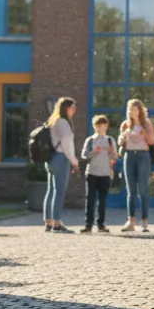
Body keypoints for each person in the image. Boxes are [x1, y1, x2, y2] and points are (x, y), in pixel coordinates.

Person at [118, 98, 154, 233]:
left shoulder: (146, 124)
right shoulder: (125, 125)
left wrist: (144, 134)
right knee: (131, 191)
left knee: (143, 190)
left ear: (140, 110)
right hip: (129, 156)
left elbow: (151, 141)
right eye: (130, 109)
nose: (132, 111)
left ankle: (144, 222)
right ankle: (131, 221)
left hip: (143, 156)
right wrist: (121, 139)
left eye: (134, 109)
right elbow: (120, 141)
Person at [43, 97, 78, 233]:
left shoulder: (53, 121)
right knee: (59, 192)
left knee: (50, 191)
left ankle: (48, 222)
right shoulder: (63, 123)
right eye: (72, 108)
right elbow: (67, 145)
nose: (74, 111)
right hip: (61, 159)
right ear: (66, 108)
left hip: (51, 159)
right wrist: (74, 162)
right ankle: (57, 223)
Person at [80, 114, 117, 233]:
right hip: (91, 173)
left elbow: (115, 157)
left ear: (106, 126)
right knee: (90, 199)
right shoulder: (90, 140)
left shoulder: (110, 140)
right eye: (97, 126)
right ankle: (88, 224)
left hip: (105, 173)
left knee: (102, 200)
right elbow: (84, 155)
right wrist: (93, 152)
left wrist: (111, 151)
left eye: (102, 125)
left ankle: (101, 224)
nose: (99, 128)